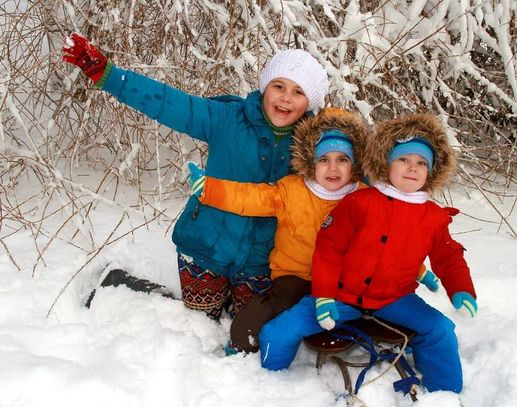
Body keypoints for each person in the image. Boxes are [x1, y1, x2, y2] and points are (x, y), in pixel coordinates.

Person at [62, 33, 329, 319]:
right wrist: (110, 76)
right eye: (279, 86)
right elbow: (169, 103)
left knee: (250, 325)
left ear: (310, 103)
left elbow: (350, 173)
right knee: (200, 319)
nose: (286, 98)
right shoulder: (227, 119)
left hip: (261, 260)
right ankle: (124, 284)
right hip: (206, 248)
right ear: (265, 88)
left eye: (298, 92)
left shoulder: (316, 145)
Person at [188, 108, 439, 354]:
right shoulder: (291, 190)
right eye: (324, 159)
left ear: (354, 164)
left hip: (344, 281)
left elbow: (389, 245)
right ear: (311, 162)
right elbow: (249, 198)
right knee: (274, 305)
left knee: (368, 306)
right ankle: (243, 343)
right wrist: (210, 189)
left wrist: (419, 271)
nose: (333, 168)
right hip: (296, 276)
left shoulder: (366, 197)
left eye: (342, 160)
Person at [258, 113, 477, 393]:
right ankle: (268, 384)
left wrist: (462, 289)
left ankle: (445, 393)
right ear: (387, 163)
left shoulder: (433, 217)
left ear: (431, 171)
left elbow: (448, 256)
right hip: (341, 296)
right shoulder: (360, 202)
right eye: (404, 160)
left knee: (441, 329)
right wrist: (324, 295)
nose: (412, 168)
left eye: (421, 163)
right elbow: (329, 247)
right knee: (278, 332)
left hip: (395, 299)